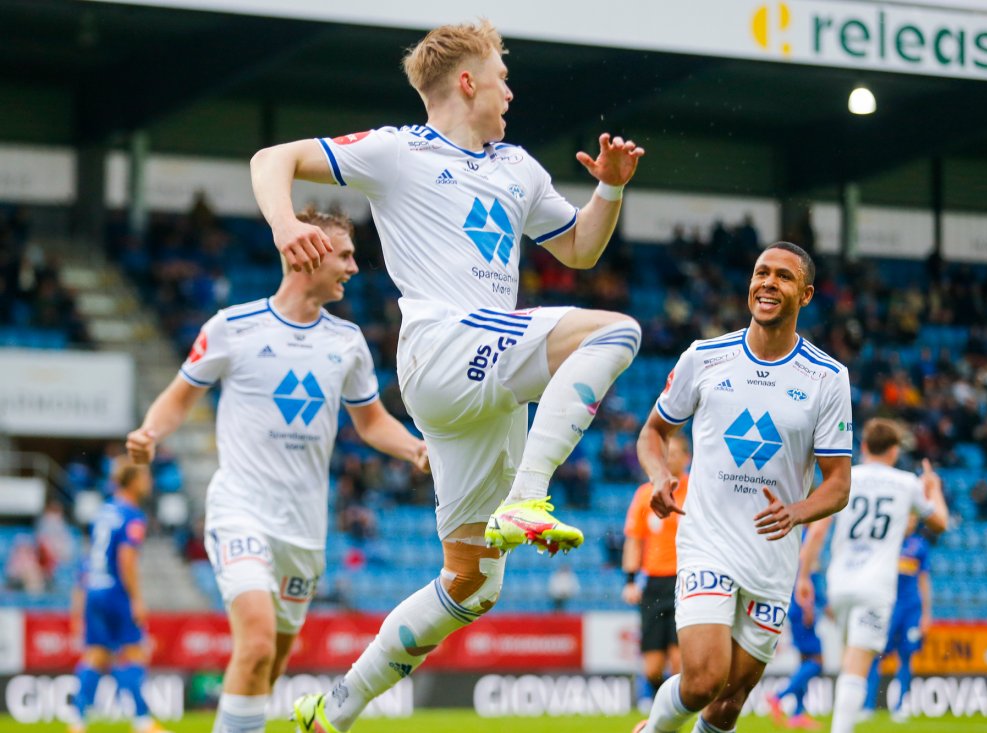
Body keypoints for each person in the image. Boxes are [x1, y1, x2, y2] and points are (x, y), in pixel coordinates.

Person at [249, 20, 645, 733]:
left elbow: (582, 249)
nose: (510, 90)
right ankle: (529, 495)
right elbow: (271, 157)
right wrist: (284, 225)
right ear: (467, 82)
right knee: (617, 331)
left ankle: (332, 710)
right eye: (500, 76)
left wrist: (609, 192)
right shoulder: (397, 152)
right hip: (441, 343)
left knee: (471, 582)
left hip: (481, 380)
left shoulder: (518, 168)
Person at [126, 207, 428, 733]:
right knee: (258, 641)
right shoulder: (232, 327)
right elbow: (178, 398)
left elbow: (372, 421)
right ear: (306, 253)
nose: (354, 268)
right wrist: (151, 431)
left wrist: (415, 450)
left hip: (304, 532)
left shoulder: (347, 342)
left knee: (274, 659)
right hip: (241, 510)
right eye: (345, 255)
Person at [633, 242, 853, 733]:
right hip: (708, 542)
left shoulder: (827, 379)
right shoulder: (705, 357)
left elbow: (839, 484)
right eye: (761, 273)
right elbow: (653, 433)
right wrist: (659, 475)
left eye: (783, 277)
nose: (768, 283)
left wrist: (797, 511)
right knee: (701, 682)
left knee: (728, 703)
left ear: (807, 294)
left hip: (772, 558)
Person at [796, 419, 947, 733]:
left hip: (840, 584)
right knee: (856, 664)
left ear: (863, 447)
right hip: (876, 586)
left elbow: (817, 531)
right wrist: (934, 489)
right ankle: (841, 728)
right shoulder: (907, 483)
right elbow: (940, 523)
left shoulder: (845, 478)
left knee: (850, 656)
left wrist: (804, 577)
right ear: (894, 451)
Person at [69, 458, 170, 733]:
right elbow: (126, 559)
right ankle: (143, 721)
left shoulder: (103, 511)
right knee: (133, 653)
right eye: (145, 477)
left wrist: (79, 601)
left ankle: (76, 721)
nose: (149, 482)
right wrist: (136, 599)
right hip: (115, 591)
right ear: (134, 481)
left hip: (93, 589)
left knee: (97, 656)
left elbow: (88, 557)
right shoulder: (132, 514)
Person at [622, 433, 691, 706]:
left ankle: (671, 714)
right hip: (653, 585)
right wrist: (629, 580)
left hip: (685, 582)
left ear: (687, 458)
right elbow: (634, 540)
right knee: (652, 667)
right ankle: (665, 705)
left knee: (678, 662)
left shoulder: (695, 490)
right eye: (666, 453)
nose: (669, 458)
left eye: (675, 453)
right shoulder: (644, 494)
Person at [862, 517, 937, 723]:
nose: (909, 522)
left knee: (906, 656)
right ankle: (868, 705)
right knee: (876, 654)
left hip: (911, 609)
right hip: (888, 607)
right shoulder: (887, 543)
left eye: (913, 519)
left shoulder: (920, 546)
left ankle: (901, 705)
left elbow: (924, 580)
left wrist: (926, 614)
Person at [765, 559, 825, 730]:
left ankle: (798, 714)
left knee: (805, 662)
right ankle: (778, 696)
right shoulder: (807, 539)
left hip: (796, 604)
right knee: (818, 661)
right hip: (802, 604)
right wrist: (808, 607)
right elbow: (804, 571)